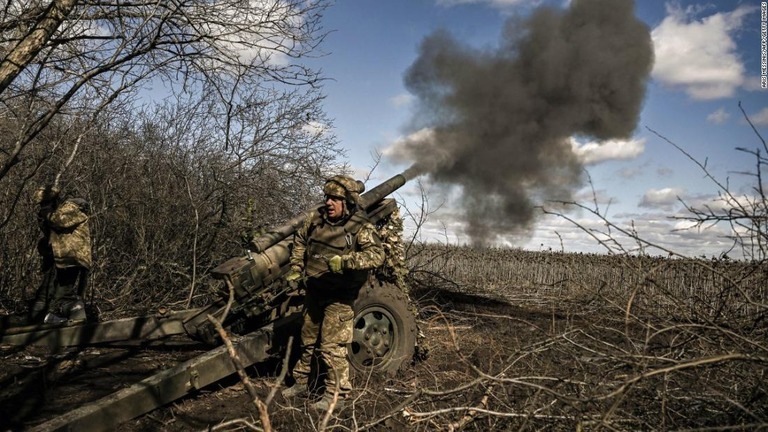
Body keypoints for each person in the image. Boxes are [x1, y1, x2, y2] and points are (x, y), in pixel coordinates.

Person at [283, 175, 385, 411]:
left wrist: (347, 261)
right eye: (327, 197)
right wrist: (297, 269)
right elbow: (299, 241)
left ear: (348, 202)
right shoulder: (316, 218)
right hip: (315, 290)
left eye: (335, 199)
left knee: (332, 348)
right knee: (307, 341)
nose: (329, 203)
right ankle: (302, 383)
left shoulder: (360, 227)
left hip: (339, 296)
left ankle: (337, 395)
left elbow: (377, 256)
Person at [29, 185, 92, 325]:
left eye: (45, 203)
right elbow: (50, 235)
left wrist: (46, 213)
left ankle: (75, 318)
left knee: (63, 294)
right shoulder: (54, 212)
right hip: (58, 258)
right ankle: (39, 319)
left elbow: (59, 221)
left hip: (71, 258)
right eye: (41, 204)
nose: (43, 207)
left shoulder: (73, 207)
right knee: (45, 293)